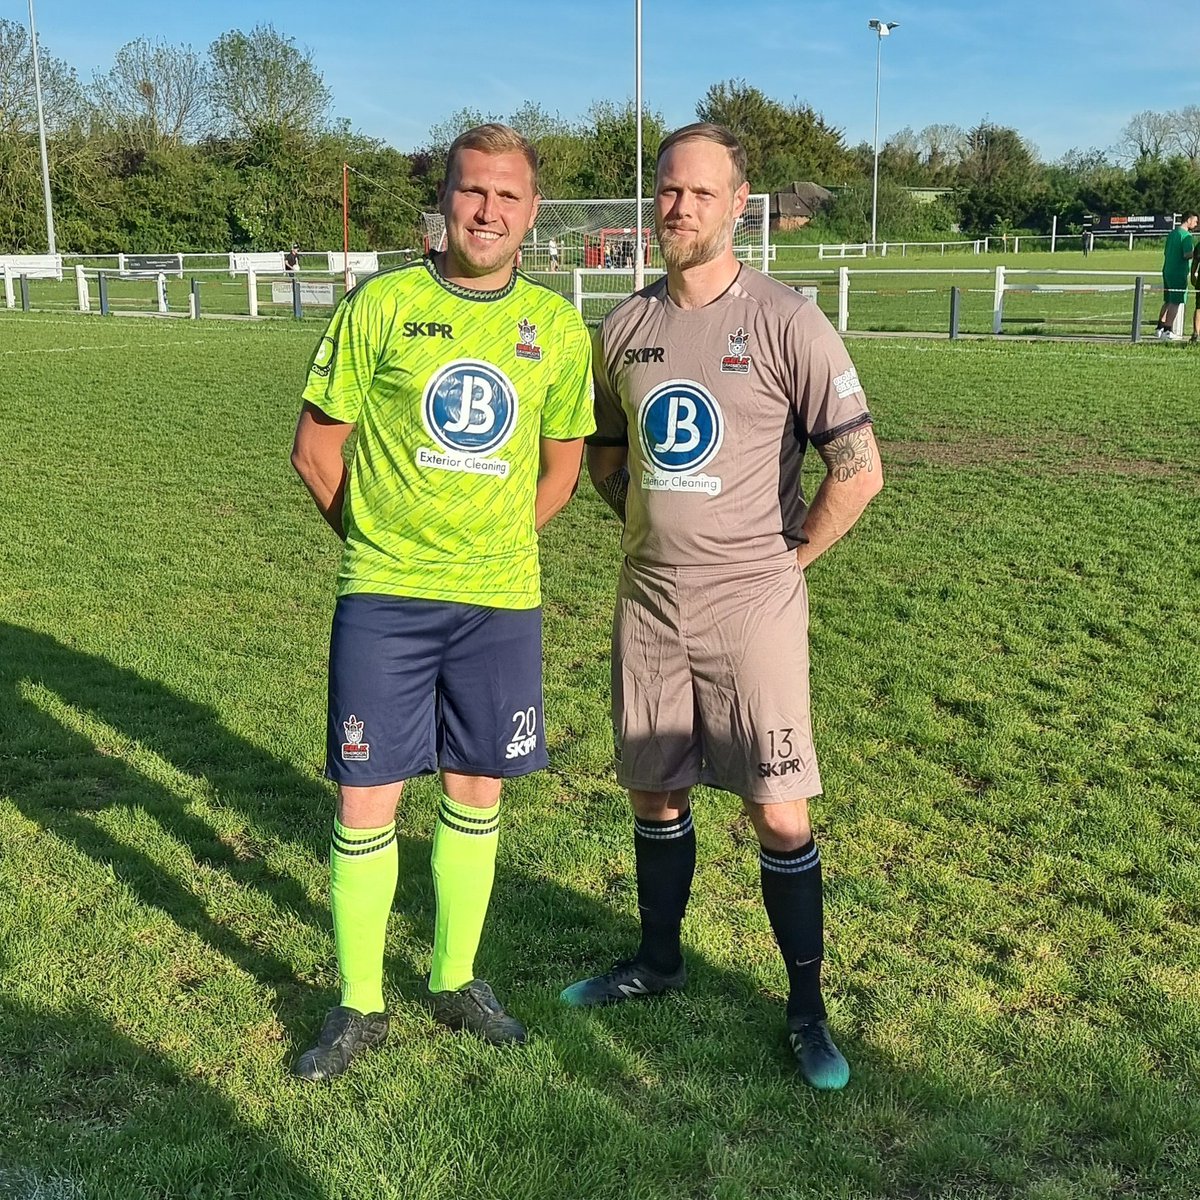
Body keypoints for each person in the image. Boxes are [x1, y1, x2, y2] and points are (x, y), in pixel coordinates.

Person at [562, 122, 883, 1091]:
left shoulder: (790, 322)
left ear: (738, 204)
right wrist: (647, 528)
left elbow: (858, 470)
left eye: (700, 194)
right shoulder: (620, 329)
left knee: (778, 812)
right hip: (650, 605)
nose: (679, 208)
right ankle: (658, 964)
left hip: (754, 609)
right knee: (653, 792)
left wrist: (788, 559)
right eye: (666, 191)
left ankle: (805, 1010)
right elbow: (605, 454)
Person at [289, 123, 594, 1082]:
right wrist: (385, 546)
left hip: (499, 603)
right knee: (366, 792)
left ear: (532, 212)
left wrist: (494, 546)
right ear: (446, 201)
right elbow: (315, 449)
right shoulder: (382, 305)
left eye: (508, 196)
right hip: (385, 598)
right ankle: (358, 1003)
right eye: (472, 192)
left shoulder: (557, 326)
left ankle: (456, 977)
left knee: (477, 787)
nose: (488, 210)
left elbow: (563, 466)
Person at [1154, 212, 1198, 339]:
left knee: (1167, 300)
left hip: (1167, 269)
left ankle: (1160, 327)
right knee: (1176, 301)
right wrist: (1196, 253)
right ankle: (1168, 330)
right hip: (1178, 271)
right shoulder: (1186, 236)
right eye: (1195, 221)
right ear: (1188, 220)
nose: (1196, 224)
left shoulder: (1172, 233)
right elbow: (1187, 254)